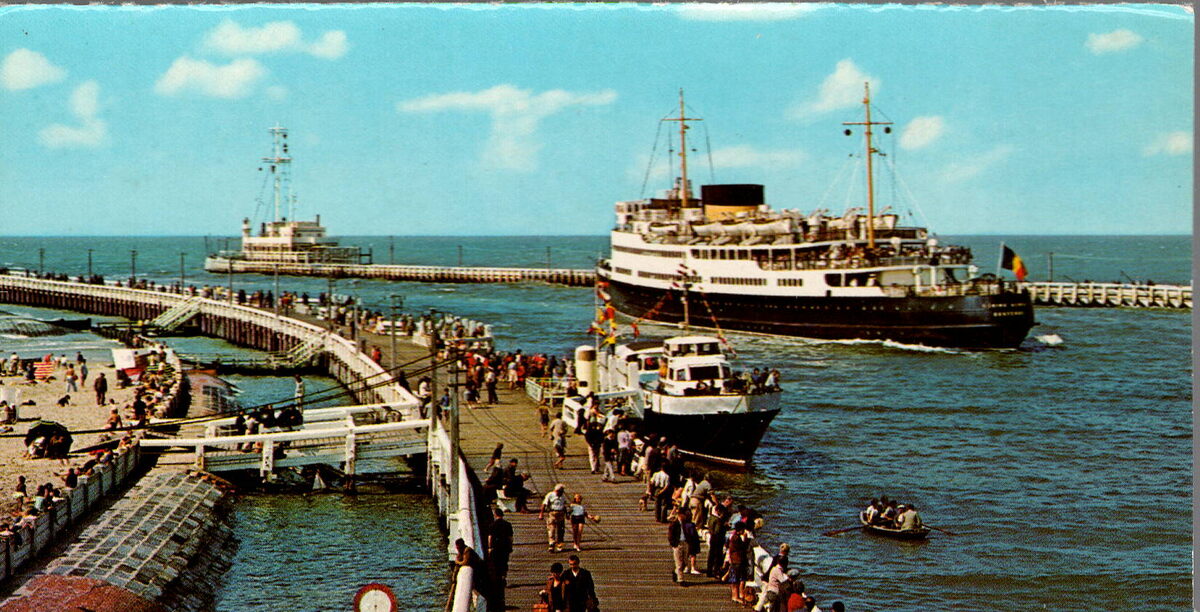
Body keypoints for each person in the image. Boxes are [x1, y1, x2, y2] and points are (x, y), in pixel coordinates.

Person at [725, 523, 752, 604]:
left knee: (735, 579)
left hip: (734, 560)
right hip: (737, 561)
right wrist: (746, 539)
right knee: (736, 580)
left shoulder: (733, 537)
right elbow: (743, 548)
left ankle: (735, 596)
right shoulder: (736, 538)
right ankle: (736, 597)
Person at [540, 484, 569, 552]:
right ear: (557, 491)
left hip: (561, 513)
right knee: (551, 529)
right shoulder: (550, 495)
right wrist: (541, 514)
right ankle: (551, 544)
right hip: (552, 513)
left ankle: (559, 544)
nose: (562, 493)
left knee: (561, 530)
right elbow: (544, 504)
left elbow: (564, 505)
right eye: (561, 491)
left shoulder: (563, 496)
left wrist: (567, 514)